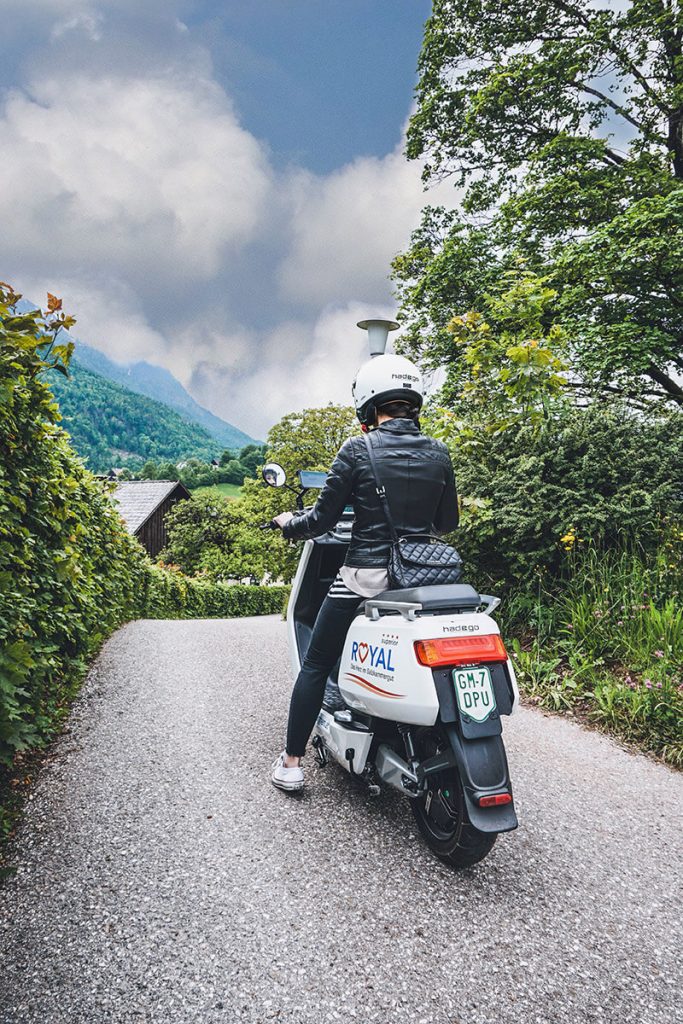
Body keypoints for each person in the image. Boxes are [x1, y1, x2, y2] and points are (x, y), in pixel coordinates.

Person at [270, 353, 459, 791]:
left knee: (316, 663)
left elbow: (318, 522)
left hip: (367, 573)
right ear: (413, 402)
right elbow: (446, 523)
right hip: (425, 577)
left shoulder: (358, 448)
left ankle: (292, 763)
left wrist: (287, 523)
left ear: (369, 406)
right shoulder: (439, 451)